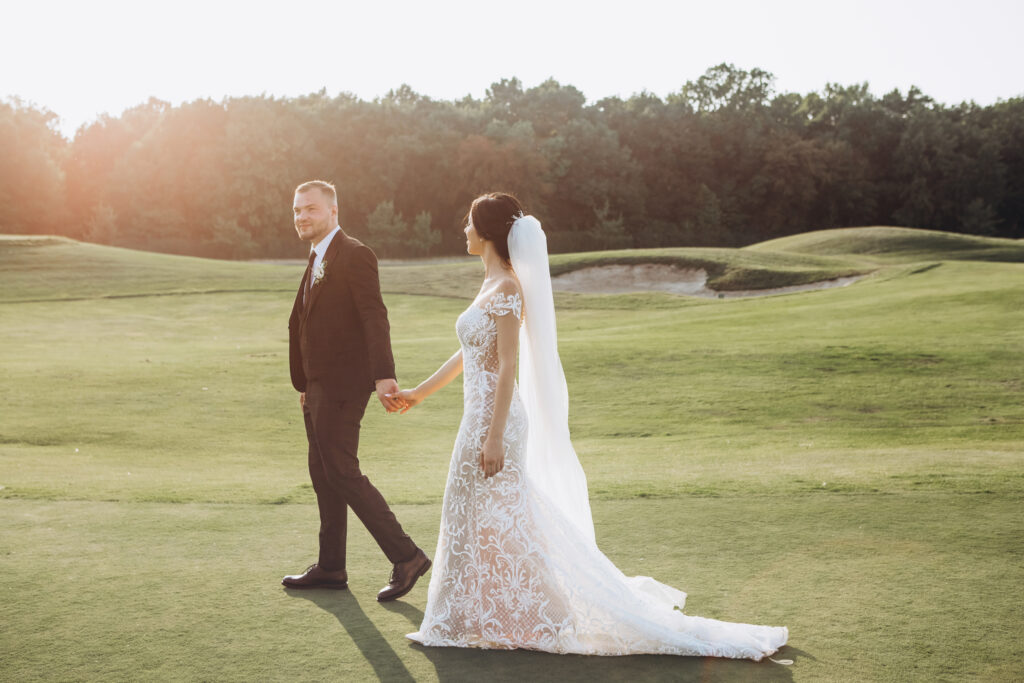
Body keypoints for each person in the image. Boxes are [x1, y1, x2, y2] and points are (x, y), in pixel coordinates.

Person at [397, 192, 789, 659]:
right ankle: (468, 617)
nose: (462, 230)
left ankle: (541, 616)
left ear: (485, 232)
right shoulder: (488, 285)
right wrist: (418, 393)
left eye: (468, 224)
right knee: (481, 516)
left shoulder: (506, 290)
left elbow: (506, 367)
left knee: (496, 515)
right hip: (476, 416)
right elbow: (469, 354)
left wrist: (496, 433)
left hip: (494, 420)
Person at [282, 180, 430, 602]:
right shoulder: (316, 258)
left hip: (345, 385)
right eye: (296, 210)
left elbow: (373, 317)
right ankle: (331, 566)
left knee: (341, 471)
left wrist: (384, 376)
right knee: (323, 474)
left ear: (332, 211)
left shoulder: (355, 254)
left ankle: (407, 557)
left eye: (309, 208)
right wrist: (306, 382)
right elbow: (309, 323)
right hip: (317, 386)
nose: (301, 216)